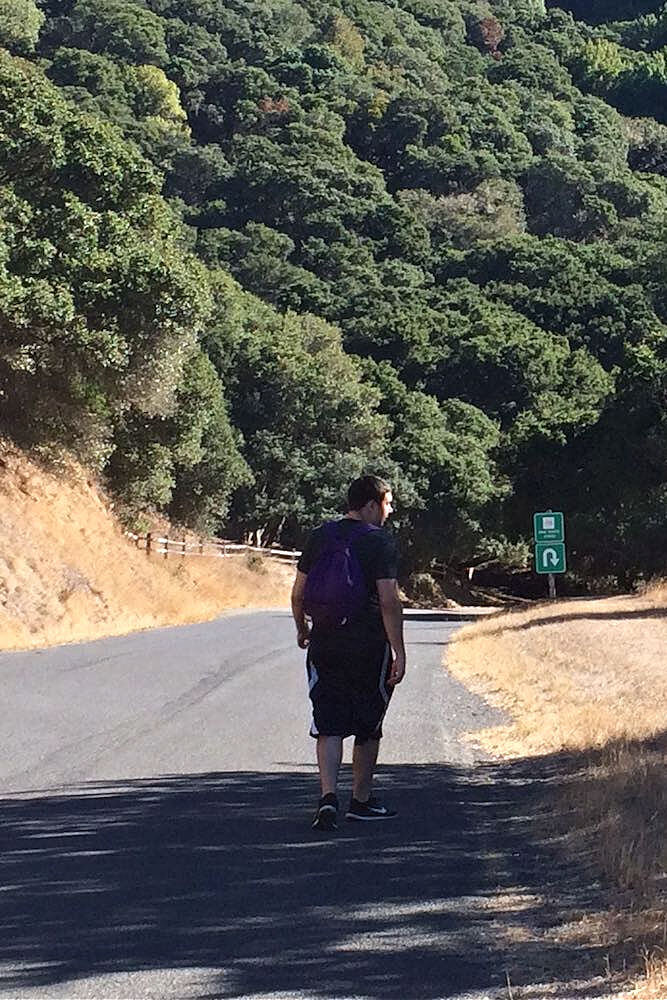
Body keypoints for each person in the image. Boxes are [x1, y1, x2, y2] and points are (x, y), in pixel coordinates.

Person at [291, 475, 406, 831]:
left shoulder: (320, 535)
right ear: (371, 504)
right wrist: (399, 651)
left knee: (329, 722)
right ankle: (361, 800)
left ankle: (328, 798)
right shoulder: (379, 542)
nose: (389, 511)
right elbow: (389, 601)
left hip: (325, 641)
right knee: (368, 724)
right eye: (387, 504)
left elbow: (298, 593)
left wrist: (302, 629)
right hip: (368, 644)